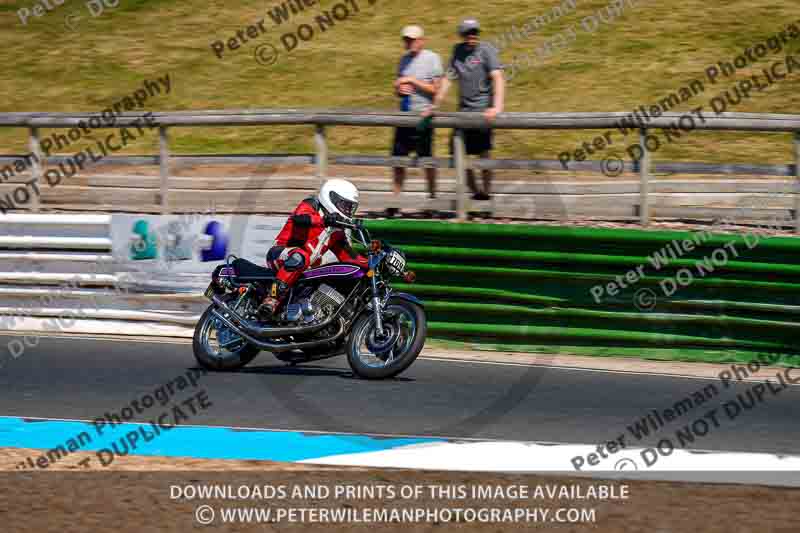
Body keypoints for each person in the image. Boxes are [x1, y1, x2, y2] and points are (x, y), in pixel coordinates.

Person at [425, 18, 505, 200]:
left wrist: (497, 106)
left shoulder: (487, 50)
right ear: (462, 35)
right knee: (457, 153)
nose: (472, 36)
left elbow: (497, 77)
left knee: (483, 153)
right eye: (468, 33)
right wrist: (435, 104)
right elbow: (447, 80)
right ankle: (477, 192)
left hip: (483, 111)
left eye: (475, 32)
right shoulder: (457, 51)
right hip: (463, 112)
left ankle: (486, 192)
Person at [262, 179, 368, 315]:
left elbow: (350, 257)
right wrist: (323, 221)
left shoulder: (336, 231)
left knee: (328, 270)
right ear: (331, 198)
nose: (347, 211)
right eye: (345, 205)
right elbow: (300, 218)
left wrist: (374, 261)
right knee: (300, 256)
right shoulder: (312, 204)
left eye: (350, 207)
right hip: (280, 254)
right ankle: (271, 298)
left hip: (306, 267)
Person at [390, 25, 444, 214]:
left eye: (412, 40)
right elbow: (399, 88)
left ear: (422, 40)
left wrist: (412, 80)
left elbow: (436, 89)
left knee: (426, 160)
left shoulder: (432, 58)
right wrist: (399, 89)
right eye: (406, 40)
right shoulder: (403, 60)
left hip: (423, 117)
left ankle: (432, 200)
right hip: (404, 117)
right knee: (398, 160)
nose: (409, 43)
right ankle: (395, 201)